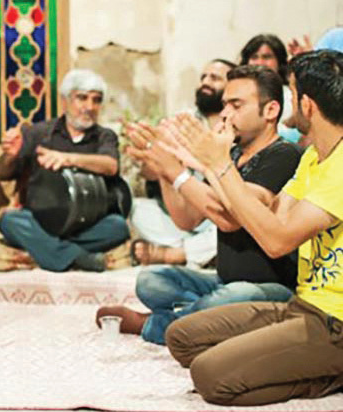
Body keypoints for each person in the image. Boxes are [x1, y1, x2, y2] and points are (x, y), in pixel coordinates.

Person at [164, 50, 343, 406]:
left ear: (307, 105)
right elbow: (271, 215)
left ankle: (328, 376)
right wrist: (208, 165)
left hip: (335, 322)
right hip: (303, 304)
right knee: (182, 336)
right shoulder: (313, 157)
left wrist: (217, 166)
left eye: (290, 93)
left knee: (210, 376)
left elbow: (276, 241)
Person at [97, 65, 301, 345]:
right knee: (151, 280)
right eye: (225, 104)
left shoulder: (284, 155)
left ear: (270, 110)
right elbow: (188, 219)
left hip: (271, 291)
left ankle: (156, 324)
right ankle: (205, 318)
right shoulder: (232, 154)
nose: (226, 113)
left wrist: (189, 169)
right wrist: (167, 170)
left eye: (236, 105)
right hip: (222, 283)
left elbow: (233, 218)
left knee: (236, 297)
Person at [0, 69, 129, 272]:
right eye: (82, 98)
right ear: (65, 101)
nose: (89, 107)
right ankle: (77, 257)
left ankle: (51, 252)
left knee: (118, 226)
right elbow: (2, 173)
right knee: (9, 221)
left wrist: (68, 159)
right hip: (41, 221)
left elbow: (110, 166)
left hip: (87, 225)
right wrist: (11, 156)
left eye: (96, 100)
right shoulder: (39, 133)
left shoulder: (104, 136)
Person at [128, 59, 236, 268]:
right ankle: (196, 251)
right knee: (138, 209)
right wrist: (156, 161)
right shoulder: (183, 119)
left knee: (231, 227)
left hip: (220, 213)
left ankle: (177, 254)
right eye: (203, 77)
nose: (205, 82)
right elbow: (158, 173)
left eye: (214, 78)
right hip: (186, 215)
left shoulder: (235, 127)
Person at [238, 33, 297, 141]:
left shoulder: (291, 97)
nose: (259, 63)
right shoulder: (235, 94)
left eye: (267, 57)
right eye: (254, 57)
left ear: (279, 62)